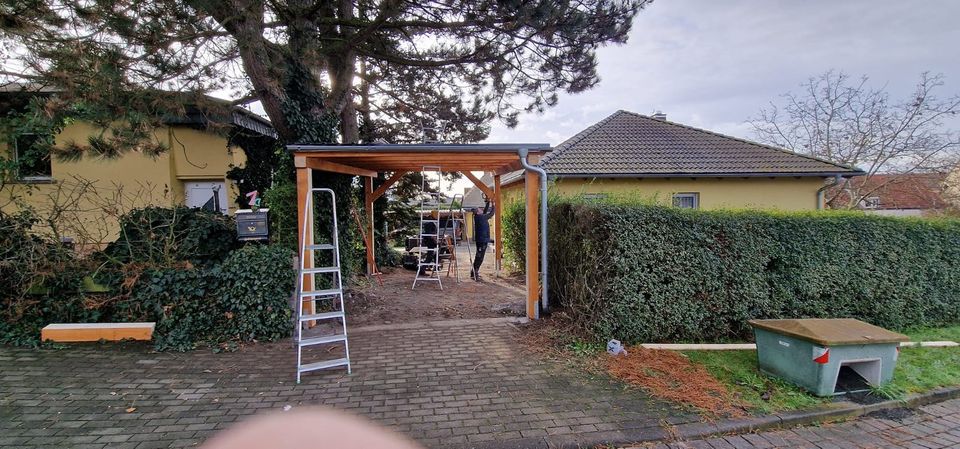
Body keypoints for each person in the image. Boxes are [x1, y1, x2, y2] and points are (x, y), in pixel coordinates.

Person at [470, 200, 495, 281]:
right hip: (482, 240)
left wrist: (488, 203)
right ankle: (475, 273)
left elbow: (485, 211)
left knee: (479, 257)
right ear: (477, 212)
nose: (481, 209)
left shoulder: (479, 217)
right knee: (479, 257)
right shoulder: (480, 217)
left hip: (482, 239)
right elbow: (491, 214)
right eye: (479, 209)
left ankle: (473, 273)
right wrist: (494, 205)